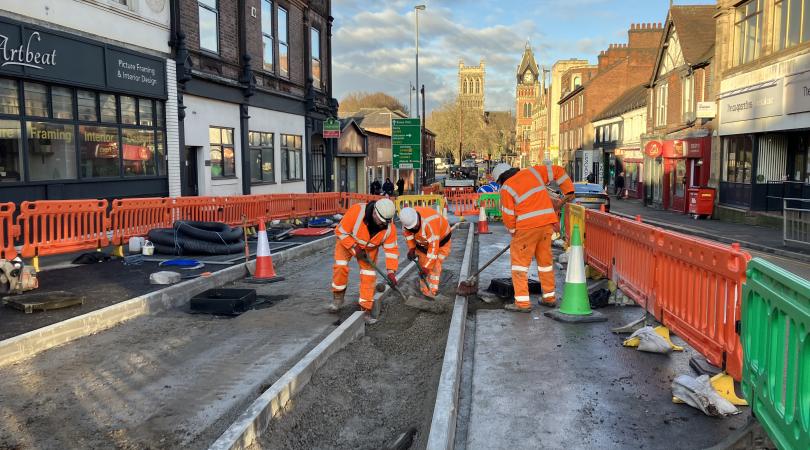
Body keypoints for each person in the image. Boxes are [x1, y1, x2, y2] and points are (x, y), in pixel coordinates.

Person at [493, 160, 575, 313]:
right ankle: (549, 298)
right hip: (546, 225)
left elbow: (508, 216)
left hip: (526, 229)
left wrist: (513, 233)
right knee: (545, 264)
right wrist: (569, 190)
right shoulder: (532, 172)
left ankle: (522, 303)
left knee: (519, 265)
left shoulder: (506, 188)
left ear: (500, 179)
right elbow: (557, 170)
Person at [331, 198, 399, 323]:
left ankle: (365, 310)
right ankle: (338, 297)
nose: (383, 225)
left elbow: (392, 252)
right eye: (381, 221)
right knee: (340, 267)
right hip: (347, 243)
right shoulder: (357, 211)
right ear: (374, 213)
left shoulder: (389, 228)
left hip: (368, 250)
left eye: (386, 222)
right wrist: (354, 247)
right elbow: (340, 231)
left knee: (369, 276)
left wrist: (391, 272)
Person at [399, 206, 452, 298]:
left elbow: (433, 248)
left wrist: (427, 268)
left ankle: (432, 292)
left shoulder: (429, 223)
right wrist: (412, 248)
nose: (414, 227)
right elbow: (408, 235)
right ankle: (425, 292)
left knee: (434, 265)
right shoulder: (407, 221)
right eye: (412, 227)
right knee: (423, 265)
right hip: (423, 243)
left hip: (440, 242)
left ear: (417, 217)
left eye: (415, 225)